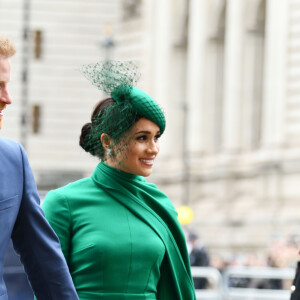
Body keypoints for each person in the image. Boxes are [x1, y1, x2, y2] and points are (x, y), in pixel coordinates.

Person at [41, 60, 196, 300]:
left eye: (156, 138)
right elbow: (46, 288)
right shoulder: (63, 202)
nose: (153, 149)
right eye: (142, 138)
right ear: (107, 141)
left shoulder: (160, 204)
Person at [0, 34, 79, 299]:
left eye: (7, 86)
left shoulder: (13, 159)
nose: (8, 99)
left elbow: (43, 258)